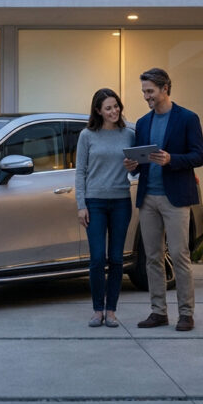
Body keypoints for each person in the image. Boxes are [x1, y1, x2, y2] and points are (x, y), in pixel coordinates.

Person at [123, 68, 203, 332]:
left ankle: (186, 314)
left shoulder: (188, 118)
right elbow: (140, 165)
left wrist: (172, 160)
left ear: (165, 88)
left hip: (176, 199)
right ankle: (158, 312)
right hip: (148, 198)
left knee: (180, 256)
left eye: (150, 91)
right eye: (144, 92)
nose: (146, 96)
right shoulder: (143, 123)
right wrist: (132, 165)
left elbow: (198, 156)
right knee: (152, 258)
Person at [75, 88, 135, 328]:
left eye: (116, 106)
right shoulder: (87, 136)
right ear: (98, 111)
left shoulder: (129, 134)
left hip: (121, 201)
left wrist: (133, 167)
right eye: (108, 108)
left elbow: (135, 167)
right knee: (98, 258)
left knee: (117, 258)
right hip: (95, 203)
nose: (114, 111)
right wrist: (81, 205)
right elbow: (80, 172)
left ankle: (112, 311)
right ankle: (97, 310)